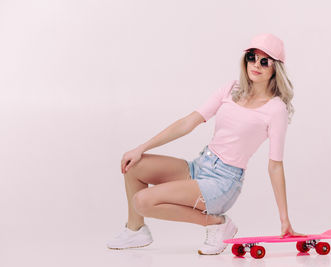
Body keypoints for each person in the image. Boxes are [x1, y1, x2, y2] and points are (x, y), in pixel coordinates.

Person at [106, 33, 304, 255]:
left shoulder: (275, 109)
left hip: (223, 183)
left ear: (275, 68)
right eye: (251, 57)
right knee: (134, 165)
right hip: (200, 166)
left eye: (264, 61)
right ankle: (136, 230)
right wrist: (141, 148)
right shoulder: (232, 89)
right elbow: (188, 122)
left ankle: (216, 223)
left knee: (142, 201)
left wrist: (284, 220)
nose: (256, 65)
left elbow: (275, 165)